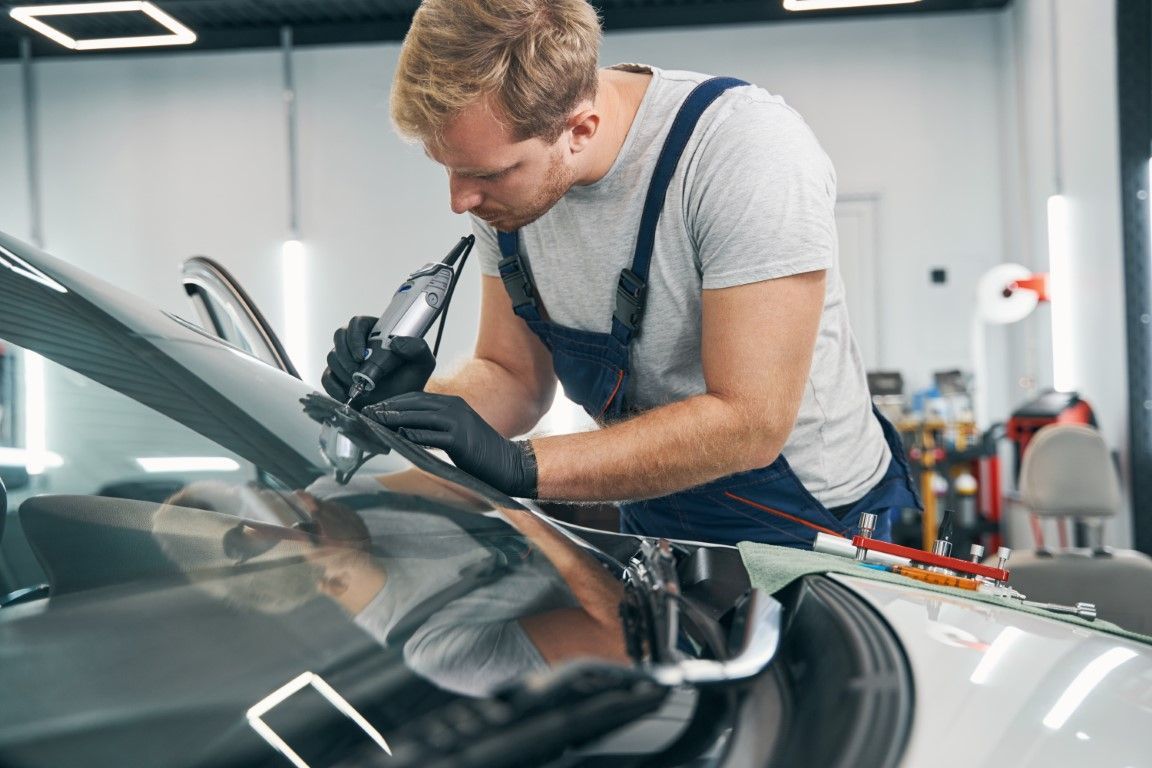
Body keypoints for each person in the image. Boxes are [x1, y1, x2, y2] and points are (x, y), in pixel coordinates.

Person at [322, 0, 919, 548]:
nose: (460, 200)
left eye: (488, 173)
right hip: (653, 506)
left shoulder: (742, 153)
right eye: (447, 169)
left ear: (579, 129)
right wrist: (406, 410)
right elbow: (512, 377)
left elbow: (750, 422)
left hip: (818, 522)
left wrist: (522, 465)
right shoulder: (503, 190)